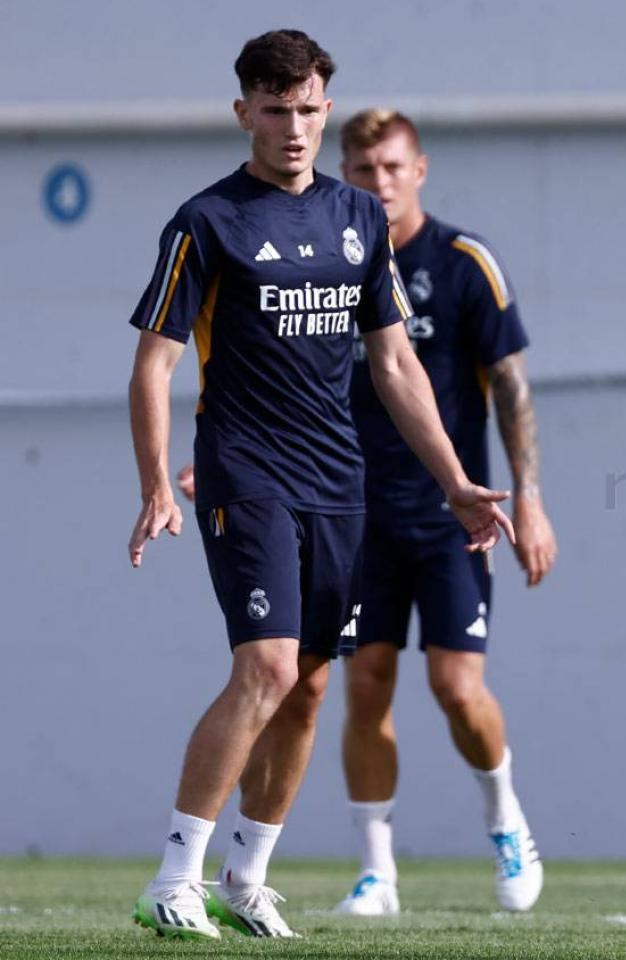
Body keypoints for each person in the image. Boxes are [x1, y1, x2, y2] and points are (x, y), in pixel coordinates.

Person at [126, 30, 511, 940]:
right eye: (273, 110)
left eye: (307, 109)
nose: (292, 128)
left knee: (306, 686)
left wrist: (455, 478)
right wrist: (155, 484)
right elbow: (153, 366)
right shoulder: (207, 220)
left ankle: (245, 876)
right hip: (246, 472)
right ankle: (173, 876)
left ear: (324, 108)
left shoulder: (358, 217)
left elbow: (394, 364)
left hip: (342, 483)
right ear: (243, 113)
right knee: (262, 666)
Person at [333, 108, 553, 914]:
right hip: (357, 519)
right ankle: (377, 871)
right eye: (364, 170)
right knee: (367, 687)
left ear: (418, 169)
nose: (379, 182)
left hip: (454, 517)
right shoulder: (330, 262)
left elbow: (512, 387)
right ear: (345, 173)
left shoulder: (464, 262)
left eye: (392, 167)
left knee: (457, 688)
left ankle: (504, 818)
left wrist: (529, 500)